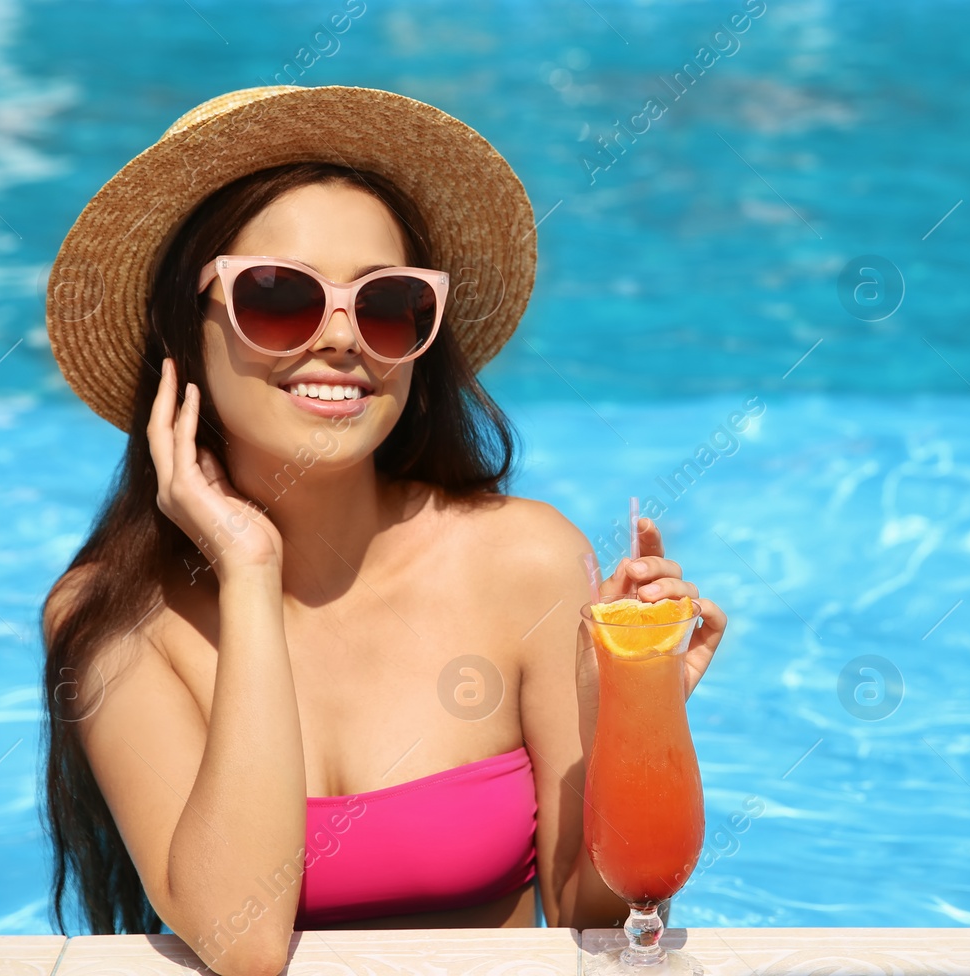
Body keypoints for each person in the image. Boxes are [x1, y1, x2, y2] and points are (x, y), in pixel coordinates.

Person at [38, 85, 727, 976]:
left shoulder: (522, 561)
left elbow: (597, 916)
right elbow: (241, 940)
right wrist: (249, 570)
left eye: (386, 303)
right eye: (280, 296)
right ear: (186, 328)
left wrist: (635, 705)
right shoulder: (115, 616)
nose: (342, 341)